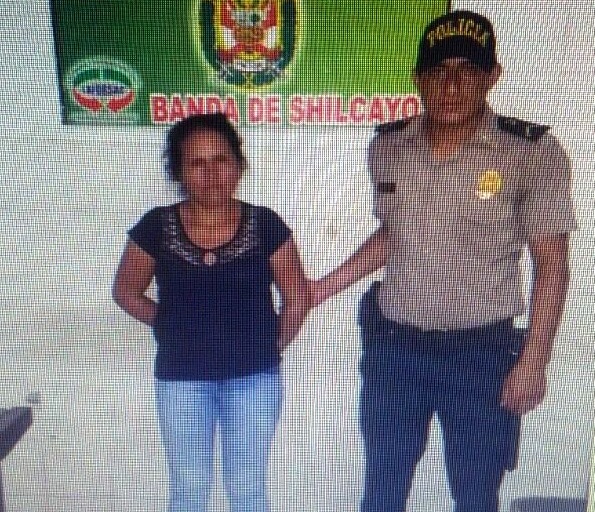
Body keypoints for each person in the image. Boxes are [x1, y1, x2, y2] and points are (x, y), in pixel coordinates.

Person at [310, 10, 576, 512]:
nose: (452, 84)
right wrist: (320, 288)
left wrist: (534, 360)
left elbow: (552, 265)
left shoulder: (531, 151)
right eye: (439, 70)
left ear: (492, 76)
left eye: (467, 70)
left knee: (476, 493)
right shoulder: (389, 145)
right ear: (419, 78)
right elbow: (395, 235)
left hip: (482, 355)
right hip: (395, 349)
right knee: (383, 486)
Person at [112, 113, 310, 512]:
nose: (211, 174)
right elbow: (125, 293)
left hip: (254, 379)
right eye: (196, 163)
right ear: (178, 171)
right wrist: (170, 324)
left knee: (247, 490)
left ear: (238, 164)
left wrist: (272, 346)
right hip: (182, 380)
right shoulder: (156, 226)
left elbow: (298, 297)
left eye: (221, 160)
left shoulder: (265, 224)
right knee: (188, 491)